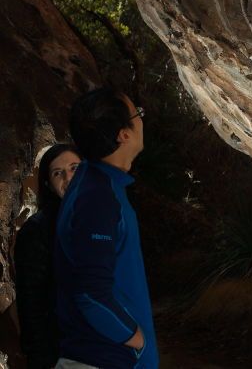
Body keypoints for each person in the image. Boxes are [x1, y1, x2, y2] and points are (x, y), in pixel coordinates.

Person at [54, 88, 157, 369]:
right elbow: (90, 294)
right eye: (139, 115)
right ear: (124, 135)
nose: (142, 121)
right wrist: (136, 340)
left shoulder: (98, 185)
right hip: (102, 359)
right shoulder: (97, 198)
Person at [14, 144, 81, 369]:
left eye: (75, 168)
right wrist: (40, 357)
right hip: (61, 351)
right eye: (57, 173)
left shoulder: (104, 220)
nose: (68, 177)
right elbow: (31, 301)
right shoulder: (36, 231)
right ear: (49, 185)